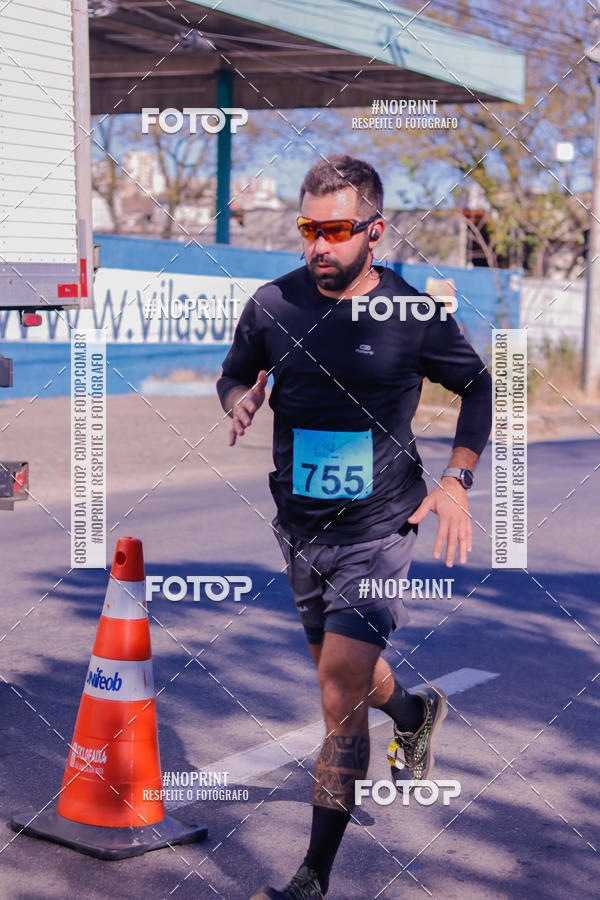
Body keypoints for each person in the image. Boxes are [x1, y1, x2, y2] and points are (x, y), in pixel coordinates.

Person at [216, 155, 492, 900]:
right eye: (309, 227)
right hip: (301, 528)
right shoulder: (273, 305)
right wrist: (239, 398)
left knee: (336, 694)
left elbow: (477, 385)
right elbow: (233, 370)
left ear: (373, 230)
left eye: (335, 230)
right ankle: (415, 710)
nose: (318, 244)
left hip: (380, 526)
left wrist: (457, 481)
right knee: (348, 678)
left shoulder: (413, 315)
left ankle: (312, 879)